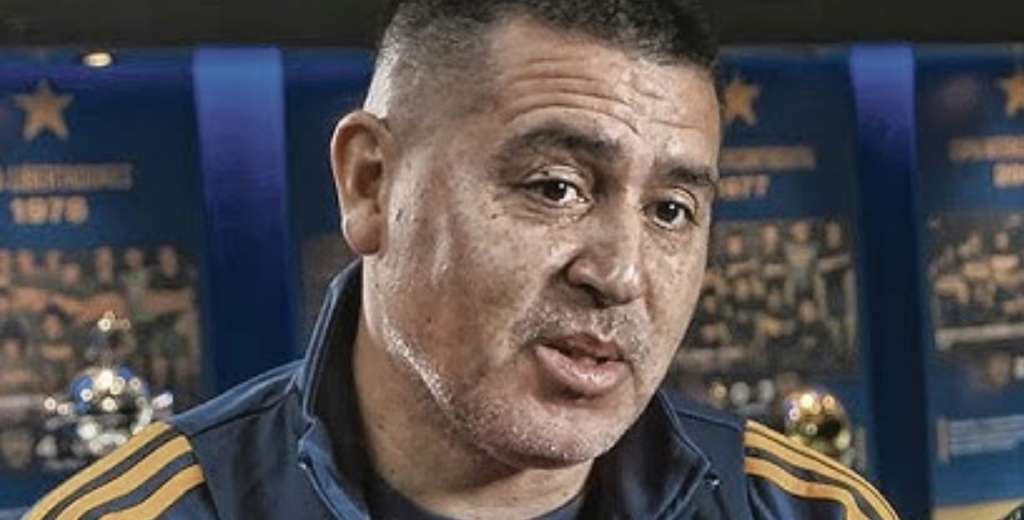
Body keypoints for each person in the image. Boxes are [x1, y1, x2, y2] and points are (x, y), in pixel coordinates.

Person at [28, 1, 897, 519]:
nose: (621, 273)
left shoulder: (808, 510)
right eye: (555, 187)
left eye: (672, 210)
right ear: (371, 184)